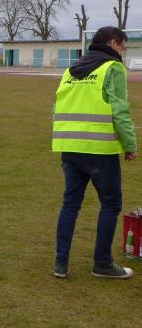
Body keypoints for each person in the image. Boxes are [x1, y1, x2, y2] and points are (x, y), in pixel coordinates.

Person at [52, 26, 137, 279]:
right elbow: (120, 111)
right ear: (113, 43)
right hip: (99, 149)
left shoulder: (71, 70)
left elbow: (57, 108)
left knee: (70, 204)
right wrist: (130, 145)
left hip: (69, 147)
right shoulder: (113, 68)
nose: (123, 51)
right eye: (122, 46)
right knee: (111, 204)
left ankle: (60, 263)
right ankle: (102, 263)